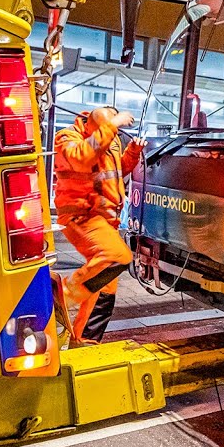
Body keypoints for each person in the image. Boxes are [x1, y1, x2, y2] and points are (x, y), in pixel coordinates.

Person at [51, 106, 145, 346]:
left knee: (104, 288)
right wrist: (112, 126)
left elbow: (116, 170)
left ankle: (85, 340)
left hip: (106, 219)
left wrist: (133, 152)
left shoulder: (108, 138)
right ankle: (63, 294)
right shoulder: (66, 137)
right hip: (82, 215)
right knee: (116, 257)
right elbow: (81, 158)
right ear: (90, 123)